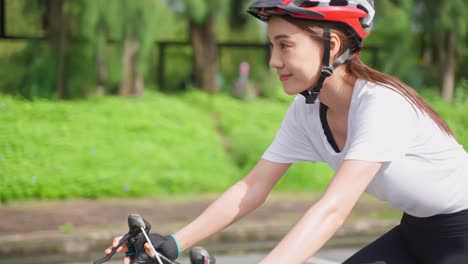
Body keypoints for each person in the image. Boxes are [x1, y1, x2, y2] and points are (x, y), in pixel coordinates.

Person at [105, 0, 468, 263]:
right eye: (272, 46)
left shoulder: (382, 105)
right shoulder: (307, 110)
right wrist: (171, 243)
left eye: (285, 45)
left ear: (333, 46)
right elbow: (252, 188)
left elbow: (333, 208)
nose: (273, 61)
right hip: (416, 233)